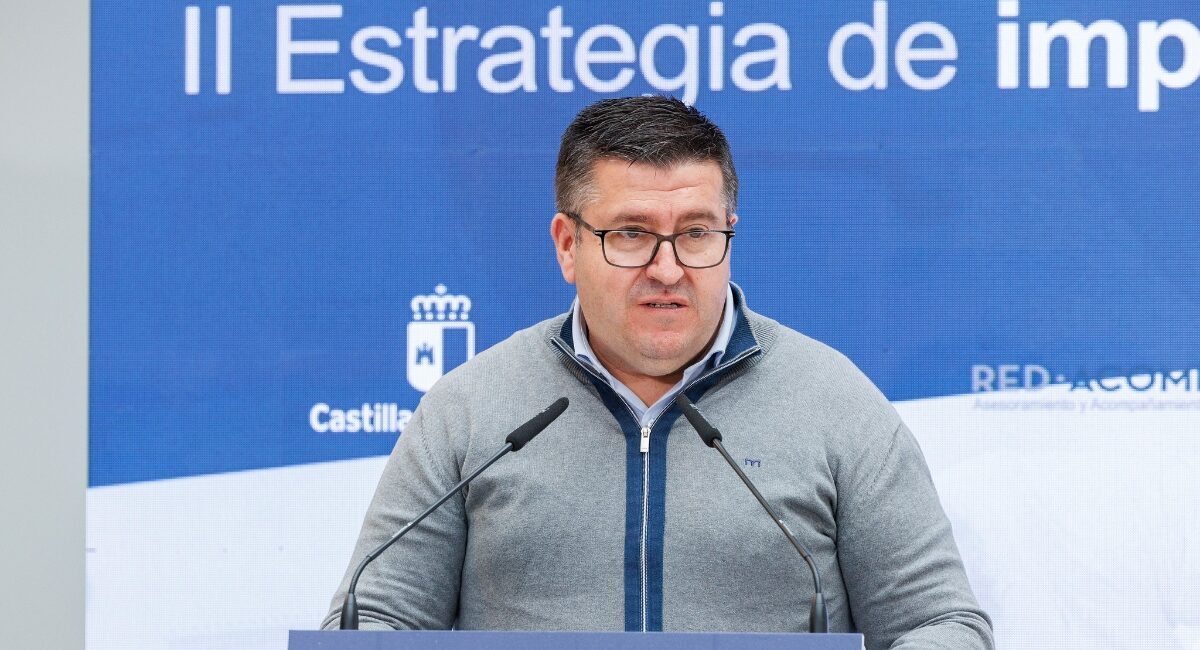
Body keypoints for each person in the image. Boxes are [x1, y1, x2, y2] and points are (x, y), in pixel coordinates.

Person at [323, 96, 994, 649]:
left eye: (696, 233)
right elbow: (373, 621)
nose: (668, 269)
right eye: (632, 234)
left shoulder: (835, 403)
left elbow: (940, 623)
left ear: (729, 233)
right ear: (568, 244)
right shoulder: (471, 408)